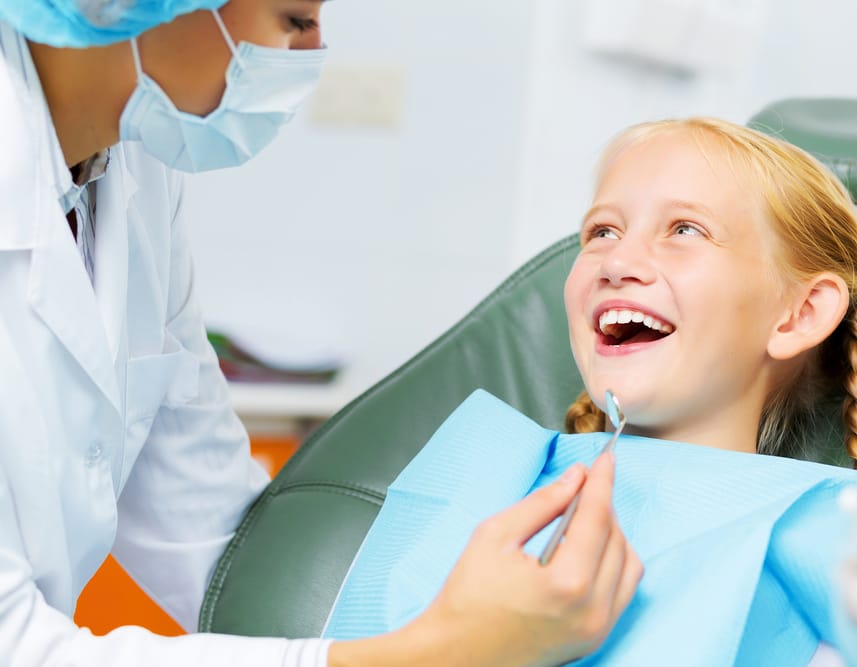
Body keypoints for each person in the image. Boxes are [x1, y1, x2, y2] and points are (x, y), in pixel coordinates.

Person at [0, 1, 642, 665]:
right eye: (295, 21)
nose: (309, 57)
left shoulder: (133, 181)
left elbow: (216, 533)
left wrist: (435, 609)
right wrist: (432, 651)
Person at [322, 117, 857, 665]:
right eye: (603, 231)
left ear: (798, 314)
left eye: (685, 229)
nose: (618, 261)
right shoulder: (483, 467)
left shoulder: (821, 524)